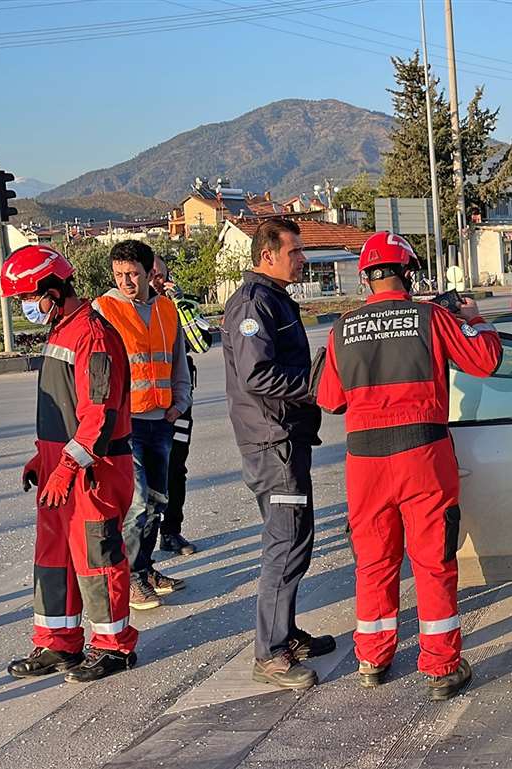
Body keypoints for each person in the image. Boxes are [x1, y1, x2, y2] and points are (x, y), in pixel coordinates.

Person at [316, 231, 501, 700]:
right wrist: (474, 318)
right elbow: (484, 361)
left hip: (366, 463)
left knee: (374, 561)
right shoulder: (432, 317)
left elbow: (329, 399)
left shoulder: (342, 329)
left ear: (366, 278)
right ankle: (441, 667)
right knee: (433, 560)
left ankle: (372, 658)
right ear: (409, 273)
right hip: (422, 454)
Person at [1, 245, 140, 683]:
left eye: (28, 298)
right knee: (53, 558)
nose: (25, 308)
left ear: (54, 290)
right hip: (60, 467)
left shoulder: (92, 336)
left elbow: (98, 415)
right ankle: (58, 644)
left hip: (91, 470)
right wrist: (42, 458)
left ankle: (113, 646)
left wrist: (65, 467)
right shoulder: (61, 330)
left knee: (98, 557)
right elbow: (66, 409)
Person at [222, 217, 335, 689]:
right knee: (284, 544)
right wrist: (315, 386)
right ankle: (269, 653)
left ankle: (285, 633)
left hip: (285, 437)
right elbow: (257, 375)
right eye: (295, 252)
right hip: (272, 443)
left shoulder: (272, 298)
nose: (303, 259)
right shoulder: (252, 304)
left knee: (297, 540)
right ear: (267, 255)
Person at [93, 241, 189, 611]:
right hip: (124, 424)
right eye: (119, 275)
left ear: (150, 273)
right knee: (137, 504)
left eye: (133, 274)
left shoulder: (167, 309)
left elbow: (176, 359)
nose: (126, 281)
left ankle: (146, 568)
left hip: (161, 420)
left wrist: (180, 403)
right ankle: (131, 577)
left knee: (157, 503)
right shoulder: (105, 309)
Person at [150, 256, 212, 556]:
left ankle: (171, 531)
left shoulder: (182, 306)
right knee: (144, 472)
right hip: (143, 406)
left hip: (179, 402)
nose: (155, 282)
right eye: (149, 275)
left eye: (160, 276)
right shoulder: (129, 311)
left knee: (176, 468)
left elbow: (200, 344)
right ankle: (142, 538)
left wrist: (179, 304)